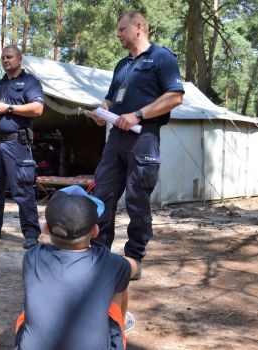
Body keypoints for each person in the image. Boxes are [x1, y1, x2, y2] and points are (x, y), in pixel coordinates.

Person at [91, 10, 184, 279]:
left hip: (143, 138)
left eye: (121, 29)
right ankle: (98, 253)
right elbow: (110, 100)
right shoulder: (122, 65)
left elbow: (175, 97)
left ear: (139, 27)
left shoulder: (161, 57)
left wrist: (138, 114)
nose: (118, 34)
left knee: (136, 200)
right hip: (115, 140)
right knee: (102, 196)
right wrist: (101, 111)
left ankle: (133, 259)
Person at [14, 185, 139, 350]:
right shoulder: (109, 262)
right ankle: (120, 326)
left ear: (45, 229)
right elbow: (134, 267)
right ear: (95, 231)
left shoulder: (31, 257)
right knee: (119, 286)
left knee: (26, 312)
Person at [0, 45, 44, 249]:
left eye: (10, 57)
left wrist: (9, 108)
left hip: (17, 143)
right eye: (3, 57)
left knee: (22, 188)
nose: (6, 60)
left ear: (19, 59)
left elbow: (38, 108)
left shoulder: (30, 82)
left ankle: (31, 233)